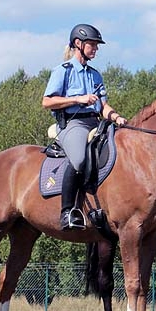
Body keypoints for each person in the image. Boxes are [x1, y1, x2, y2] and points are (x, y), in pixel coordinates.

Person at [42, 23, 128, 231]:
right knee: (80, 159)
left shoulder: (95, 74)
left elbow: (103, 105)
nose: (96, 49)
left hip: (96, 122)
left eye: (97, 46)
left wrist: (117, 118)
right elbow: (47, 101)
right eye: (92, 45)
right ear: (78, 44)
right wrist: (78, 99)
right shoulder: (63, 71)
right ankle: (67, 212)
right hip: (73, 123)